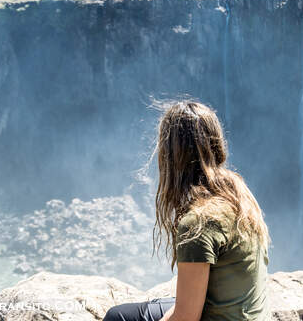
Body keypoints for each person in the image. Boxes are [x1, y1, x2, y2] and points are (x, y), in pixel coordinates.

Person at [103, 101, 270, 321]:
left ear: (171, 157)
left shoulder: (199, 222)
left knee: (117, 318)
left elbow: (186, 317)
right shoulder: (238, 193)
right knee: (142, 308)